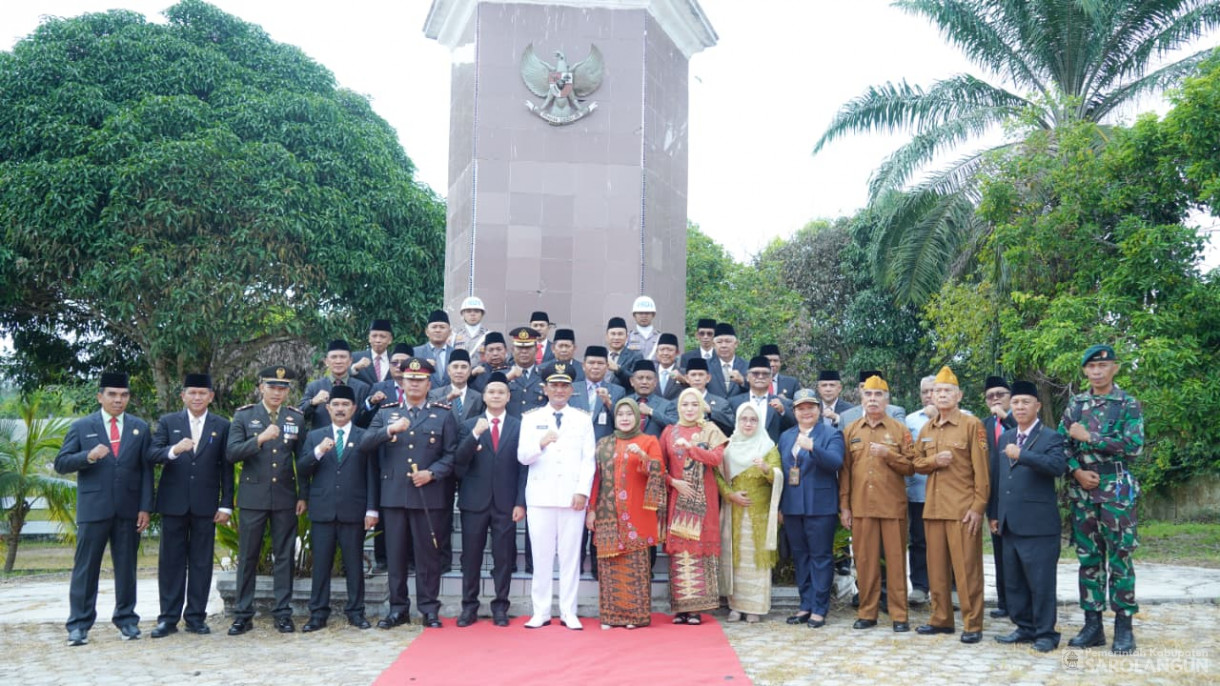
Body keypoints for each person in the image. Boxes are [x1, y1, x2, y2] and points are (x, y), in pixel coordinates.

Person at [54, 372, 153, 646]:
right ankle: (79, 625)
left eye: (123, 395)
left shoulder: (139, 427)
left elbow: (146, 471)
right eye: (112, 394)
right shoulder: (82, 426)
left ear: (129, 398)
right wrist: (87, 456)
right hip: (93, 509)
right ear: (100, 396)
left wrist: (145, 507)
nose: (118, 400)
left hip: (129, 510)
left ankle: (127, 621)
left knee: (126, 568)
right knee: (86, 569)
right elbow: (61, 463)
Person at [362, 357, 458, 630]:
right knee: (395, 555)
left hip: (428, 496)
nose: (414, 383)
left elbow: (452, 455)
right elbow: (365, 444)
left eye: (420, 380)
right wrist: (388, 430)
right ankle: (398, 609)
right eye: (409, 379)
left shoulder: (443, 413)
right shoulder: (386, 413)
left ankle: (429, 608)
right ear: (401, 382)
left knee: (428, 556)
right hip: (393, 496)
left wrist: (432, 473)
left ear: (429, 384)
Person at [1060, 344, 1143, 654]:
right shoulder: (1076, 405)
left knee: (1121, 557)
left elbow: (1133, 446)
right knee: (1089, 559)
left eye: (1102, 366)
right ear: (1084, 371)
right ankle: (1092, 625)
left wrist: (1091, 438)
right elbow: (1061, 445)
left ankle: (1124, 627)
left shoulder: (1127, 405)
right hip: (1083, 491)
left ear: (1114, 369)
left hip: (1116, 490)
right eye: (1091, 367)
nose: (1096, 371)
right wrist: (1076, 472)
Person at [149, 373, 232, 638]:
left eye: (202, 393)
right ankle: (168, 618)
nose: (197, 397)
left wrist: (226, 504)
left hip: (205, 505)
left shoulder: (221, 425)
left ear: (211, 396)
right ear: (183, 395)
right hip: (173, 503)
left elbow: (227, 468)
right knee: (171, 563)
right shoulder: (168, 422)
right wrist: (174, 450)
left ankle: (196, 616)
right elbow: (153, 453)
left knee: (201, 562)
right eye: (192, 393)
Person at [226, 365, 306, 636]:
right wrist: (259, 439)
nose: (277, 392)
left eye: (283, 388)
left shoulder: (296, 417)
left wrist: (303, 495)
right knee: (248, 556)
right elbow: (232, 453)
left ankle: (283, 613)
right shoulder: (245, 416)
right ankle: (243, 614)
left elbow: (302, 460)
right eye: (272, 387)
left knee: (284, 556)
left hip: (285, 496)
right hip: (253, 497)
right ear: (261, 387)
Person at [913, 366, 989, 644]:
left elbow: (983, 471)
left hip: (962, 510)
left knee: (967, 570)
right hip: (933, 509)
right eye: (937, 391)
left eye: (947, 391)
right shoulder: (927, 428)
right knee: (936, 569)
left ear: (959, 395)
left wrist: (978, 507)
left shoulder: (972, 426)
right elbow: (915, 463)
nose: (941, 395)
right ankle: (941, 618)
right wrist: (934, 461)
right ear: (930, 396)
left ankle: (972, 623)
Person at [518, 362, 597, 630]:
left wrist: (582, 492)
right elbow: (522, 456)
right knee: (540, 557)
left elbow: (589, 460)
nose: (559, 390)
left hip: (571, 497)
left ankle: (568, 611)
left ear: (571, 389)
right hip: (540, 496)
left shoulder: (583, 418)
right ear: (545, 388)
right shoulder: (531, 418)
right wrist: (540, 443)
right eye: (554, 385)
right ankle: (540, 611)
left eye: (564, 385)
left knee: (570, 557)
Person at [992, 381, 1066, 653]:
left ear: (1038, 406)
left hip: (1039, 525)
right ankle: (1024, 627)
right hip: (1009, 522)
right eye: (1016, 403)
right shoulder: (1006, 436)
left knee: (1041, 582)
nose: (1020, 407)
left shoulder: (1051, 437)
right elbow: (999, 478)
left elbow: (1057, 467)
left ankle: (1046, 633)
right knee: (1014, 581)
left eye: (1025, 402)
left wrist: (1024, 455)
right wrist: (995, 514)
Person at [296, 385, 377, 632]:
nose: (340, 409)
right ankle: (318, 614)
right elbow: (301, 468)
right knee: (321, 564)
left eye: (345, 405)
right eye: (336, 405)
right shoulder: (314, 436)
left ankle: (356, 612)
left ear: (353, 409)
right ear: (328, 408)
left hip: (354, 510)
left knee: (354, 564)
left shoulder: (364, 436)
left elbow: (372, 475)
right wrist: (319, 452)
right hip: (323, 510)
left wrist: (372, 510)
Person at [840, 375, 915, 632]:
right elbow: (846, 472)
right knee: (865, 561)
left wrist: (889, 455)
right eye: (868, 395)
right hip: (861, 507)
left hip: (892, 506)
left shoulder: (899, 430)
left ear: (887, 399)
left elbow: (911, 467)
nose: (873, 400)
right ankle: (867, 612)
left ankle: (899, 615)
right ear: (861, 398)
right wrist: (845, 507)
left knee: (895, 561)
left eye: (878, 395)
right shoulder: (851, 430)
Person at [453, 372, 526, 628]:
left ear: (508, 397)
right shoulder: (468, 424)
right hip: (474, 501)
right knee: (470, 557)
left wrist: (520, 502)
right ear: (484, 396)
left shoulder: (519, 425)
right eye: (491, 392)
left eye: (501, 392)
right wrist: (474, 436)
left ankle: (500, 607)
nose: (496, 396)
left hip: (506, 503)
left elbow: (523, 468)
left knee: (503, 557)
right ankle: (469, 607)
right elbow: (458, 463)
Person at [587, 398, 666, 628]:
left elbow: (659, 470)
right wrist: (591, 510)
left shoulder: (648, 441)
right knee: (610, 568)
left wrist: (643, 456)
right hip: (608, 515)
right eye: (620, 414)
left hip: (637, 514)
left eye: (628, 414)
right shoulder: (603, 444)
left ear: (637, 417)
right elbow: (597, 478)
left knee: (635, 567)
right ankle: (611, 617)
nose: (624, 418)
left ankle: (635, 617)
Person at [778, 389, 845, 628]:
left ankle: (819, 608)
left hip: (820, 506)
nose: (806, 412)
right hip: (793, 506)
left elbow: (836, 463)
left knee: (820, 558)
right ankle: (805, 605)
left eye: (810, 407)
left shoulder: (831, 434)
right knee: (801, 557)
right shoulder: (786, 436)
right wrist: (780, 506)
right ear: (794, 411)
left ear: (818, 410)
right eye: (800, 408)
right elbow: (783, 473)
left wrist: (812, 448)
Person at [661, 387, 729, 625]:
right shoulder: (669, 432)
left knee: (701, 551)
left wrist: (692, 448)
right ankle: (681, 608)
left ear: (701, 406)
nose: (689, 409)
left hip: (704, 501)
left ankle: (698, 608)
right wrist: (673, 482)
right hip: (678, 500)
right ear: (678, 407)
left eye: (694, 404)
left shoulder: (710, 430)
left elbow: (716, 459)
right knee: (680, 552)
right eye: (685, 404)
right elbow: (660, 466)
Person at [718, 403, 782, 623]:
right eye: (744, 419)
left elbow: (778, 475)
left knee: (756, 559)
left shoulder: (767, 446)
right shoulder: (729, 447)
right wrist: (730, 495)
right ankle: (735, 606)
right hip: (734, 512)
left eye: (753, 420)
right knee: (736, 558)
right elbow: (718, 476)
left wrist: (766, 468)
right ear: (737, 421)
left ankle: (755, 607)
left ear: (760, 423)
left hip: (759, 514)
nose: (748, 423)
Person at [570, 345, 626, 578]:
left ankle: (596, 565)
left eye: (600, 363)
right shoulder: (572, 389)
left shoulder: (617, 390)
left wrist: (610, 405)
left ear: (607, 366)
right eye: (591, 363)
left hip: (605, 462)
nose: (595, 367)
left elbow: (625, 422)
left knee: (600, 512)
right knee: (577, 511)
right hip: (575, 460)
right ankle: (575, 563)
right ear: (583, 365)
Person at [981, 375, 1017, 620]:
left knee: (1020, 553)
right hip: (995, 496)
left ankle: (1021, 604)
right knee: (1000, 552)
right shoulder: (982, 425)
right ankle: (1004, 601)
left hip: (1021, 498)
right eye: (990, 396)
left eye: (1000, 395)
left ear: (1010, 398)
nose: (995, 400)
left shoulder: (1021, 420)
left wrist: (1008, 418)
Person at [903, 375, 938, 606]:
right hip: (918, 491)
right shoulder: (911, 419)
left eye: (933, 391)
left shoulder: (965, 418)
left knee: (948, 542)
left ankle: (952, 586)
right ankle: (920, 586)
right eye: (925, 391)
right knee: (918, 541)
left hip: (948, 493)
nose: (929, 396)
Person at [302, 339, 371, 430]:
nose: (338, 361)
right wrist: (312, 402)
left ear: (350, 361)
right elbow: (300, 415)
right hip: (321, 441)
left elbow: (367, 418)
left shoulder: (362, 388)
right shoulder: (314, 387)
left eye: (342, 357)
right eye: (334, 357)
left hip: (354, 441)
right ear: (326, 361)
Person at [729, 355, 795, 443]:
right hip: (742, 452)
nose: (760, 377)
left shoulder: (782, 404)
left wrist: (783, 411)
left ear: (771, 378)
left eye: (765, 374)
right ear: (747, 377)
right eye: (755, 373)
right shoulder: (734, 402)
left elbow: (795, 427)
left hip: (772, 453)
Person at [681, 358, 735, 435]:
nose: (697, 378)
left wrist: (711, 411)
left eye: (701, 375)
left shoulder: (721, 403)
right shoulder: (678, 403)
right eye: (693, 375)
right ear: (687, 378)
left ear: (708, 378)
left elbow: (732, 424)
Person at [627, 360, 678, 438]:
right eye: (640, 378)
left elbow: (675, 425)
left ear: (655, 382)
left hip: (656, 448)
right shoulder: (624, 402)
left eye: (649, 378)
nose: (644, 382)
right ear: (632, 381)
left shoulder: (667, 405)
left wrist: (651, 412)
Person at [506, 326, 547, 417]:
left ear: (536, 350)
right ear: (513, 350)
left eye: (528, 348)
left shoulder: (545, 375)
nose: (524, 351)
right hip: (511, 428)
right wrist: (506, 379)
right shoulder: (503, 375)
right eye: (519, 348)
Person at [839, 371, 906, 424]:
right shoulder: (846, 416)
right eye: (863, 387)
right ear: (859, 389)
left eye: (877, 392)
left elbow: (902, 436)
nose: (872, 396)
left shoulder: (895, 412)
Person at [415, 310, 455, 388]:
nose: (438, 330)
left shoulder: (456, 354)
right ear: (427, 332)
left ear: (449, 332)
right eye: (434, 327)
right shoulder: (415, 353)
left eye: (442, 327)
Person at [707, 323, 748, 397]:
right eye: (719, 342)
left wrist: (743, 382)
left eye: (728, 341)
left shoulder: (747, 366)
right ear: (713, 345)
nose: (724, 346)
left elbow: (757, 390)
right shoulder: (706, 366)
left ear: (736, 344)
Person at [352, 319, 395, 387]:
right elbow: (343, 376)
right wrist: (355, 368)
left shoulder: (395, 360)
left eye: (382, 337)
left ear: (390, 340)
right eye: (374, 336)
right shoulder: (356, 357)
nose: (378, 340)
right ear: (369, 338)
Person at [605, 316, 641, 387]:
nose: (616, 337)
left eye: (620, 334)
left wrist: (618, 369)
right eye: (613, 334)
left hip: (624, 397)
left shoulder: (635, 356)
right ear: (607, 336)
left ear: (627, 337)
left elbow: (637, 380)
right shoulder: (601, 355)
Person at [626, 295, 661, 360]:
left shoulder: (660, 337)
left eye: (647, 313)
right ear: (634, 315)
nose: (644, 316)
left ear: (653, 315)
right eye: (640, 313)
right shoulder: (627, 338)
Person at [654, 333, 685, 399]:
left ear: (677, 353)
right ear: (656, 352)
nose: (665, 353)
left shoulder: (684, 373)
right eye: (662, 349)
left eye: (670, 350)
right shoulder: (650, 373)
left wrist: (683, 380)